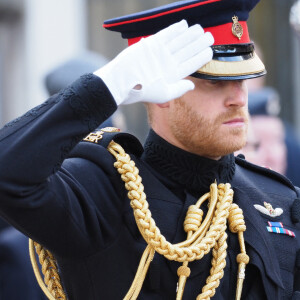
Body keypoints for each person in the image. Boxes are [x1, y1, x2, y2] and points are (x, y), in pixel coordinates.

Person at [0, 1, 299, 300]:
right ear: (162, 90)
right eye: (216, 82)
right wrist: (107, 87)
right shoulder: (103, 189)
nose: (238, 98)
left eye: (242, 79)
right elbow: (8, 172)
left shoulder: (278, 201)